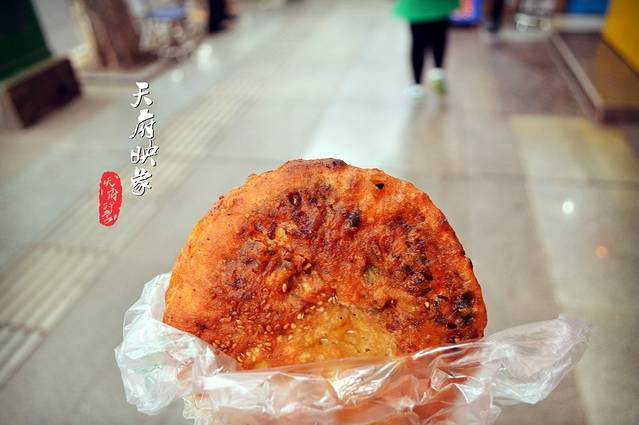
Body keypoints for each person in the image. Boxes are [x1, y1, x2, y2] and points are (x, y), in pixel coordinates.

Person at [394, 0, 459, 98]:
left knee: (418, 43)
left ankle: (417, 86)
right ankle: (438, 73)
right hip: (440, 4)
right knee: (439, 38)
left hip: (417, 6)